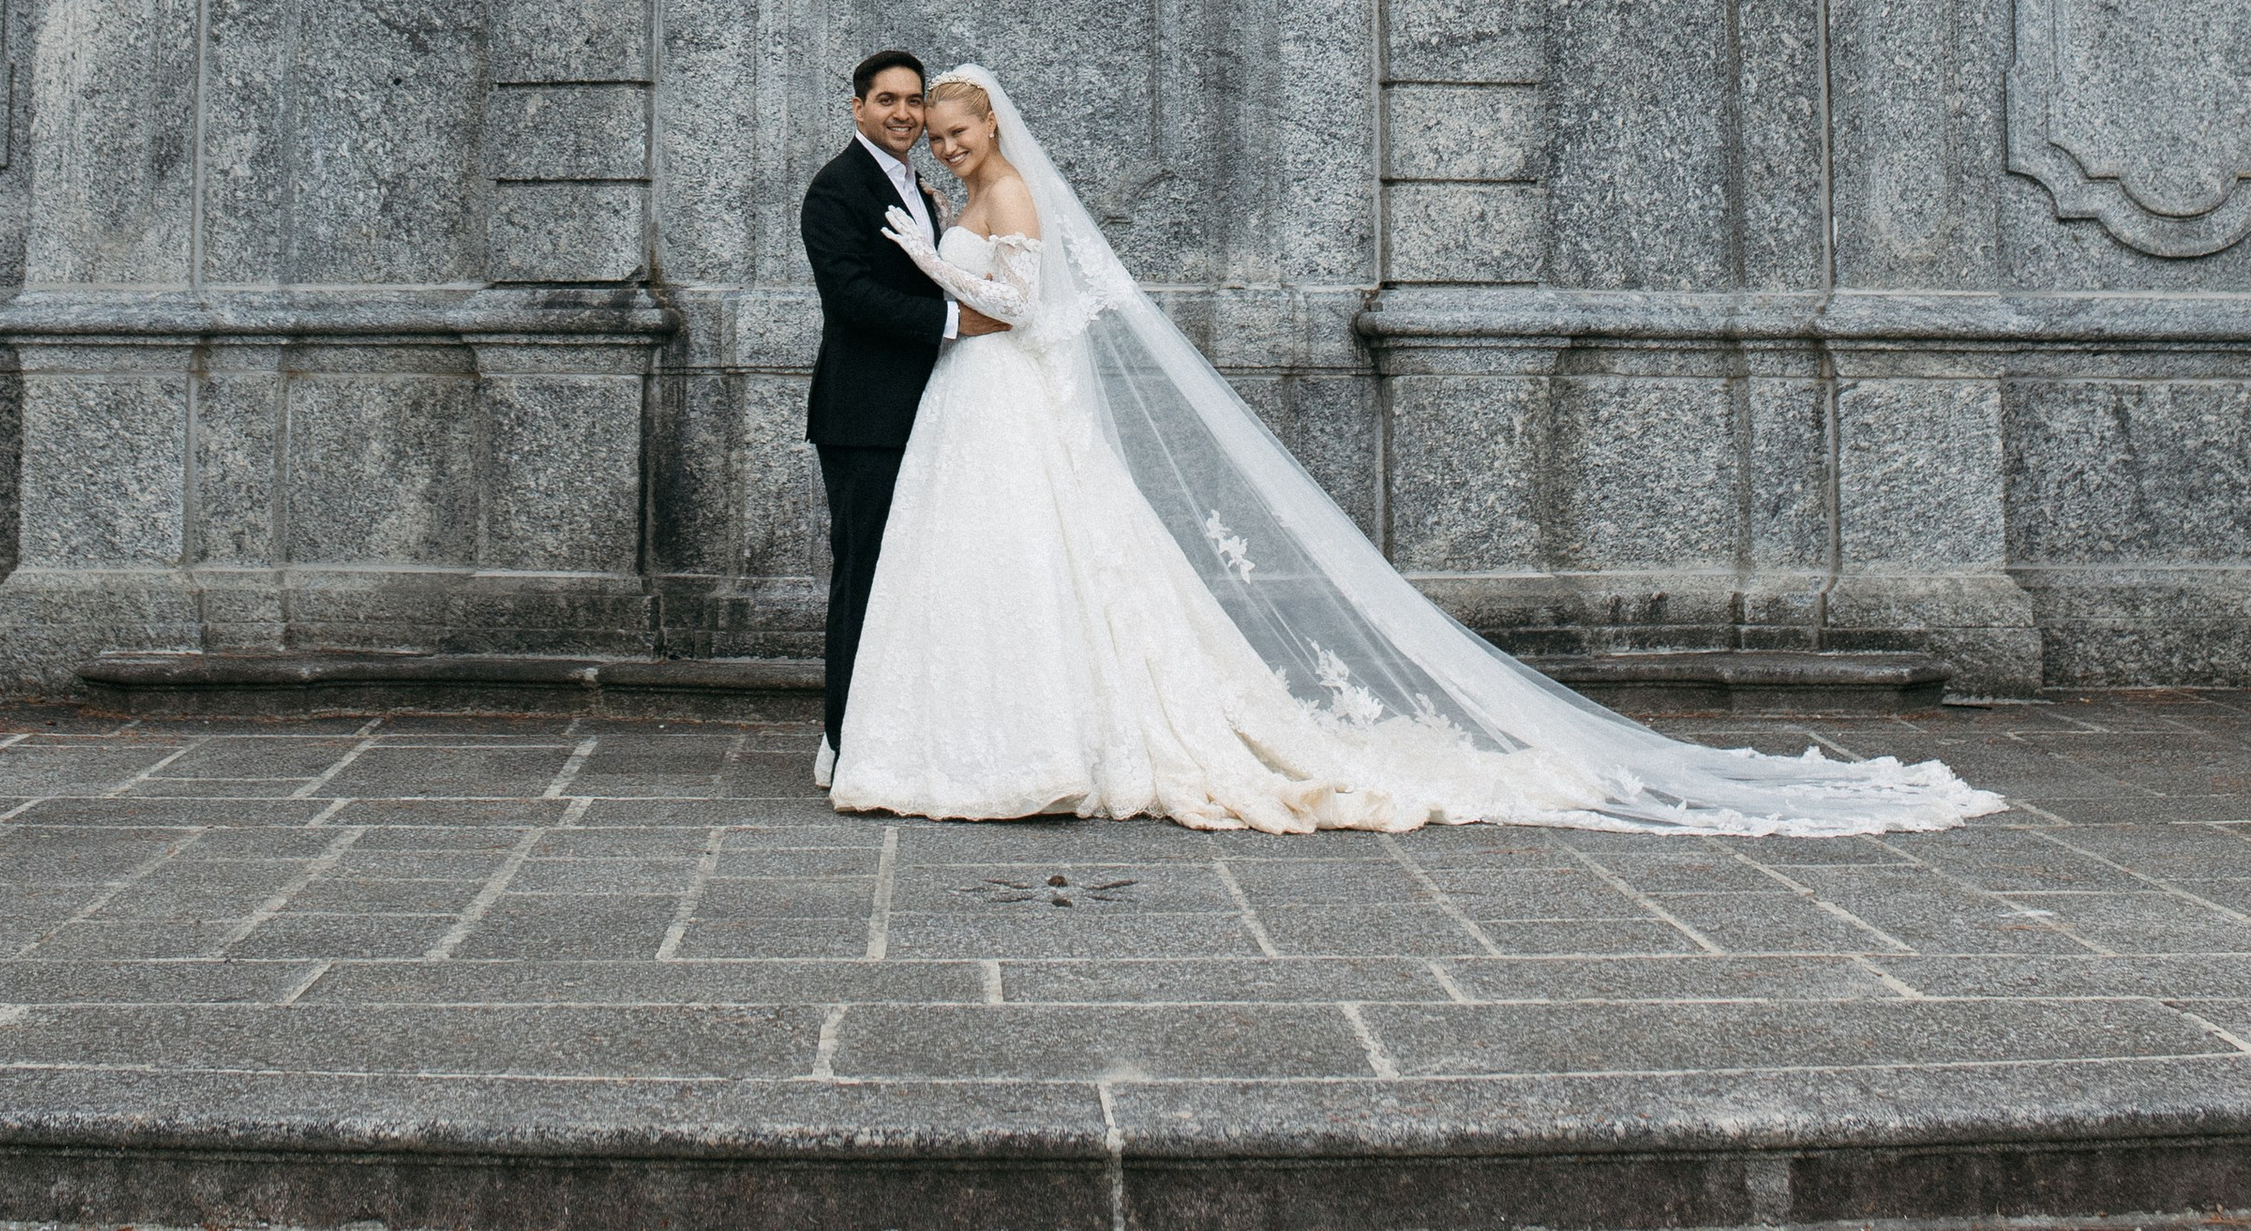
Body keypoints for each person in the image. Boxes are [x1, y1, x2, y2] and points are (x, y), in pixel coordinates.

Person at [826, 69, 2005, 839]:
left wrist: (936, 274)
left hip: (999, 389)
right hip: (971, 404)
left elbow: (1025, 309)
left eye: (956, 128)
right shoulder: (950, 199)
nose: (945, 145)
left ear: (991, 126)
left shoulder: (1011, 196)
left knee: (1029, 559)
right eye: (933, 134)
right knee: (984, 567)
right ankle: (971, 735)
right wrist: (942, 263)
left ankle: (1035, 742)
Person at [798, 49, 955, 785]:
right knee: (861, 577)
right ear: (857, 107)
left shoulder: (917, 185)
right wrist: (954, 320)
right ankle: (842, 740)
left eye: (914, 101)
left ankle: (891, 731)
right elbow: (852, 297)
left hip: (920, 410)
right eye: (887, 100)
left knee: (908, 579)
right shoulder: (835, 190)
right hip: (862, 416)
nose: (903, 114)